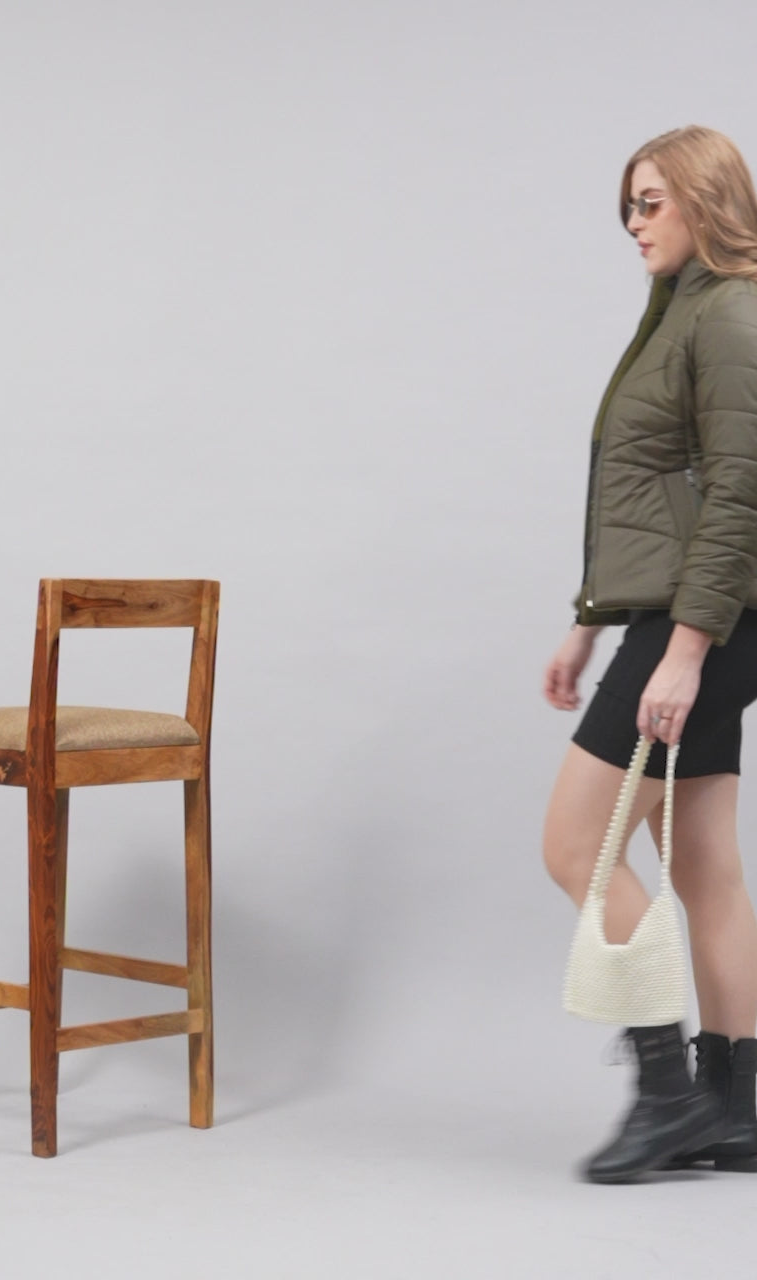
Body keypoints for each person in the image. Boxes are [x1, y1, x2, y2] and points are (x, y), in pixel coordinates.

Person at [542, 125, 757, 1183]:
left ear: (707, 200)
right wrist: (591, 620)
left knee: (576, 845)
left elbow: (741, 494)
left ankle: (668, 1098)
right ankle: (736, 1109)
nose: (633, 222)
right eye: (628, 203)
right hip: (684, 613)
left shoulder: (731, 314)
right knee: (704, 860)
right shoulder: (684, 308)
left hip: (706, 616)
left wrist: (684, 652)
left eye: (651, 201)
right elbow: (653, 494)